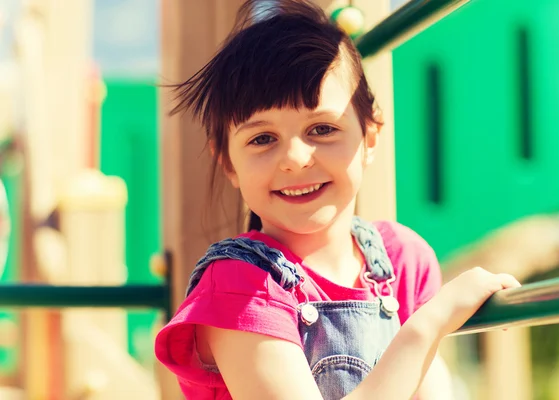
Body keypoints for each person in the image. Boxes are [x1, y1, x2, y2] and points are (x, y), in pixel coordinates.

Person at [154, 1, 521, 399]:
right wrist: (427, 326)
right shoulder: (238, 286)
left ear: (370, 138)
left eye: (322, 128)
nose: (295, 159)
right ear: (228, 162)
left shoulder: (402, 260)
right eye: (262, 138)